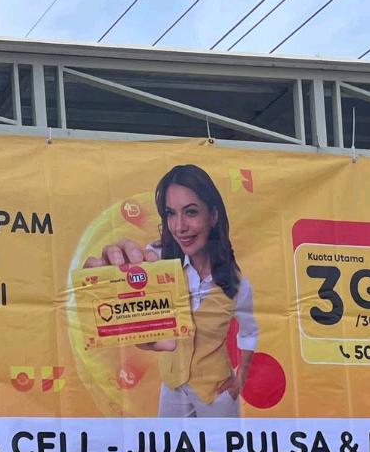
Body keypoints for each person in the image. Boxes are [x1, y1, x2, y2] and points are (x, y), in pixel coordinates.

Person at [86, 164, 255, 418]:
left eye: (191, 212)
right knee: (169, 444)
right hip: (173, 386)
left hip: (216, 391)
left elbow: (249, 333)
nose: (179, 226)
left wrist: (240, 377)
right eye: (170, 213)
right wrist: (107, 281)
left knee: (221, 446)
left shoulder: (236, 283)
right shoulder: (156, 262)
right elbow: (136, 319)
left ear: (213, 216)